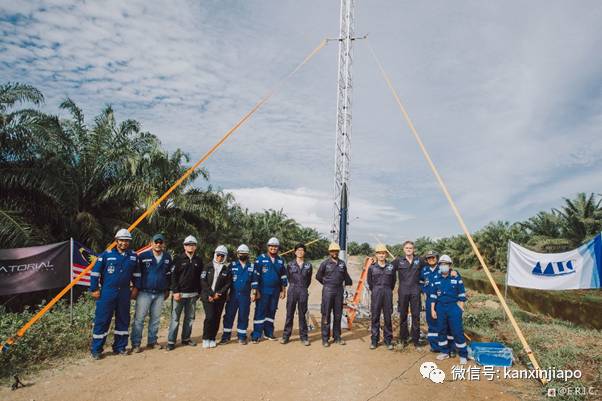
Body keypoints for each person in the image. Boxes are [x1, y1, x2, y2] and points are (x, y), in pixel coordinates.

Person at [89, 228, 139, 359]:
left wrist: (135, 288)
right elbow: (95, 273)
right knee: (102, 320)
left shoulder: (133, 257)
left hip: (124, 293)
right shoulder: (106, 255)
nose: (124, 243)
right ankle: (96, 349)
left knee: (123, 319)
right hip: (107, 292)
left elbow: (137, 275)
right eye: (121, 240)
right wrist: (94, 289)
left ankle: (120, 347)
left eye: (127, 241)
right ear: (116, 241)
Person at [131, 233, 173, 353]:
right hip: (144, 292)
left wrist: (167, 289)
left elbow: (169, 275)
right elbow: (137, 275)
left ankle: (152, 341)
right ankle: (136, 343)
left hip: (160, 293)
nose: (158, 244)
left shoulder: (167, 257)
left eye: (161, 242)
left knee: (155, 319)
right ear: (151, 243)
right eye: (156, 242)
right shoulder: (143, 256)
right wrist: (135, 288)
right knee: (139, 319)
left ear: (163, 244)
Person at [430, 254, 468, 364]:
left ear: (450, 265)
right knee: (441, 330)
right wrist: (433, 309)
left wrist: (461, 308)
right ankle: (444, 352)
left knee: (457, 331)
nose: (443, 266)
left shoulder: (455, 276)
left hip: (453, 307)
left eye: (445, 264)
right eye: (441, 264)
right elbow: (433, 295)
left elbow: (461, 293)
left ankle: (463, 354)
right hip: (440, 307)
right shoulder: (436, 278)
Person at [167, 235, 203, 351]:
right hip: (180, 294)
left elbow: (200, 278)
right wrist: (175, 291)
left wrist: (199, 292)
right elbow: (173, 277)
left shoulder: (199, 260)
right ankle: (171, 341)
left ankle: (186, 339)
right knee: (175, 318)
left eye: (192, 245)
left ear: (195, 247)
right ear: (184, 246)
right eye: (188, 245)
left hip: (193, 295)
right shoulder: (178, 259)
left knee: (190, 318)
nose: (190, 247)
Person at [251, 237, 288, 343]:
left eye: (275, 246)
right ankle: (257, 334)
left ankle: (268, 332)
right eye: (271, 246)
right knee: (260, 311)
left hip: (275, 291)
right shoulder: (260, 259)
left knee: (271, 311)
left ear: (278, 248)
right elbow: (255, 275)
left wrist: (283, 290)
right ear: (268, 247)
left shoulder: (280, 260)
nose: (273, 248)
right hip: (262, 290)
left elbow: (283, 276)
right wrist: (255, 290)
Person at [316, 242, 352, 347]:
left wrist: (349, 283)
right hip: (328, 291)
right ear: (329, 252)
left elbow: (346, 276)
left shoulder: (342, 264)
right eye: (332, 251)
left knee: (338, 315)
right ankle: (325, 338)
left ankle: (337, 337)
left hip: (339, 291)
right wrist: (327, 283)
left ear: (338, 252)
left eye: (336, 251)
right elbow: (318, 276)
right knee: (326, 314)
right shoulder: (325, 263)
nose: (334, 253)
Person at [220, 244, 255, 345]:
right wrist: (225, 293)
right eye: (241, 253)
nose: (242, 255)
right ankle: (226, 337)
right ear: (237, 254)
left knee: (243, 315)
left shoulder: (251, 266)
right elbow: (226, 281)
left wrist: (254, 292)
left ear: (248, 254)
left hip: (245, 296)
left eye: (245, 253)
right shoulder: (232, 265)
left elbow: (254, 281)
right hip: (233, 296)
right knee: (229, 316)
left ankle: (242, 337)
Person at [281, 243, 312, 346]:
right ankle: (286, 336)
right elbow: (288, 277)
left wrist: (303, 287)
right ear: (295, 252)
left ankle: (304, 337)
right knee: (289, 313)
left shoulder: (308, 265)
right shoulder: (290, 265)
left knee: (302, 314)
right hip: (292, 289)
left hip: (303, 290)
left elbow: (309, 280)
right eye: (298, 250)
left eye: (302, 250)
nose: (300, 252)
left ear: (304, 252)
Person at [201, 245, 232, 348]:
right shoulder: (207, 266)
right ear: (215, 255)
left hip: (220, 298)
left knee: (216, 318)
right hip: (208, 297)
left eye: (222, 256)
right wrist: (211, 294)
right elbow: (203, 281)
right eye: (218, 255)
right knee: (209, 317)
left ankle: (212, 338)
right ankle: (206, 338)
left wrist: (219, 294)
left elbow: (228, 284)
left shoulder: (226, 269)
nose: (220, 258)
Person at [393, 240, 422, 348]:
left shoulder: (419, 261)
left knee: (416, 316)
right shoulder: (398, 261)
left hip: (415, 292)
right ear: (403, 249)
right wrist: (374, 262)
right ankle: (403, 338)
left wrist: (452, 271)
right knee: (403, 316)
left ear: (413, 249)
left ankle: (416, 340)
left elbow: (431, 268)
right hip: (403, 292)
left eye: (410, 248)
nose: (409, 249)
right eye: (407, 248)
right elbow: (387, 268)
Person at [367, 244, 396, 350]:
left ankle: (388, 340)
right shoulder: (372, 268)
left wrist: (387, 290)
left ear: (386, 255)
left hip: (388, 292)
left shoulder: (391, 267)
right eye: (379, 253)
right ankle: (374, 340)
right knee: (375, 317)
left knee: (388, 317)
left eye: (383, 253)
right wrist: (376, 290)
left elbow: (393, 281)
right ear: (376, 255)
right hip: (376, 293)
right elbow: (370, 282)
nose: (381, 255)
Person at [420, 250, 440, 352]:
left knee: (443, 322)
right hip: (429, 300)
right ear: (426, 260)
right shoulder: (424, 270)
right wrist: (424, 292)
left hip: (441, 301)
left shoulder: (442, 269)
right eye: (429, 258)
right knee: (431, 322)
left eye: (433, 257)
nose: (431, 259)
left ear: (437, 258)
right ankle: (434, 346)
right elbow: (420, 282)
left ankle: (445, 345)